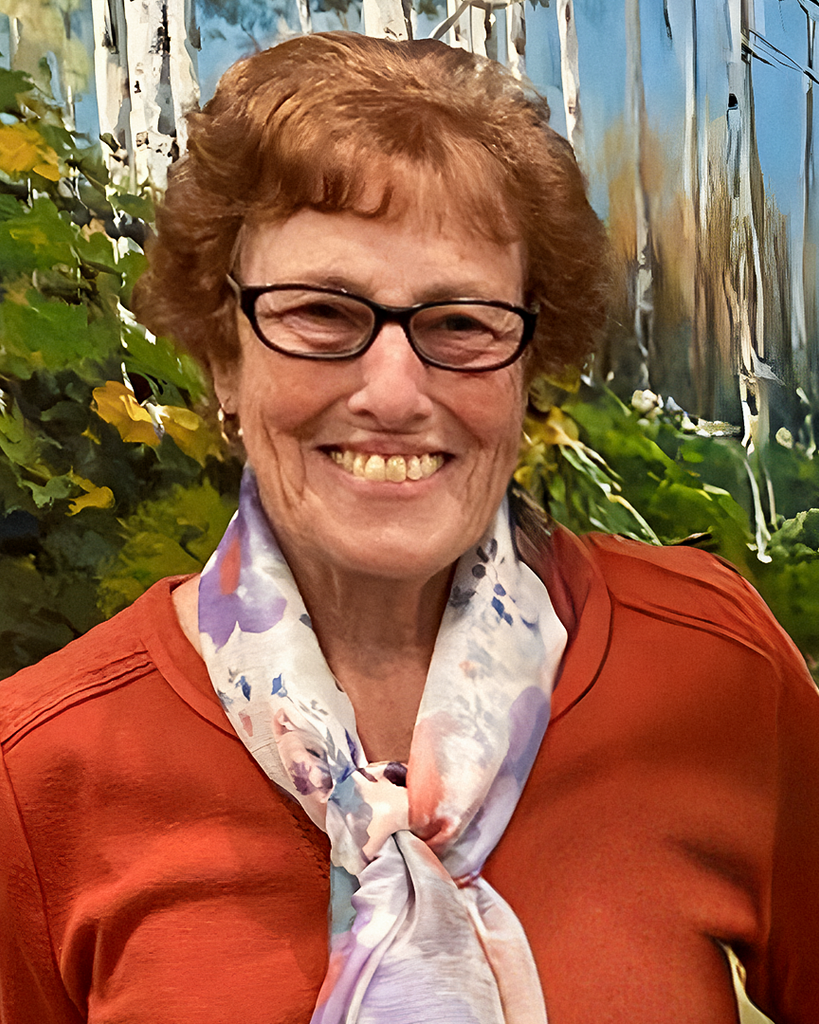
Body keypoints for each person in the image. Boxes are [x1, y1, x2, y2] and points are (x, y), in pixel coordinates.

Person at [1, 30, 816, 1024]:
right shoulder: (40, 772)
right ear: (222, 358)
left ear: (528, 365)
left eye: (461, 322)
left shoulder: (707, 669)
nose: (393, 392)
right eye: (320, 313)